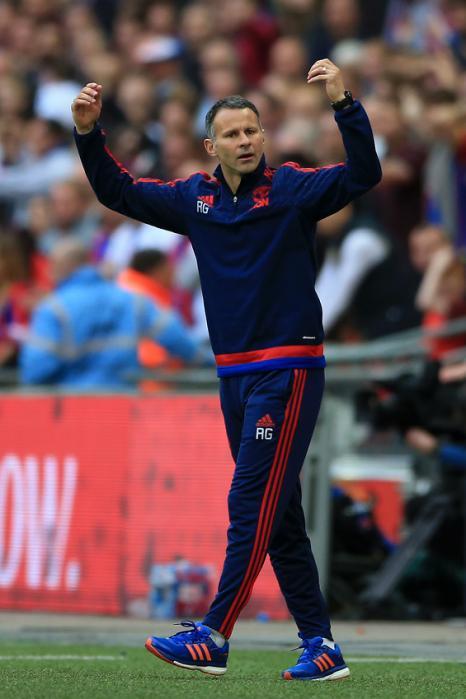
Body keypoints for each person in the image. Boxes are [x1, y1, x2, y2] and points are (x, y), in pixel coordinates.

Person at [71, 58, 381, 681]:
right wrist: (87, 134)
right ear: (212, 146)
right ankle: (321, 645)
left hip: (287, 367)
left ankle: (214, 632)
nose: (244, 141)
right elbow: (119, 192)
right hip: (234, 376)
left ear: (263, 138)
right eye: (232, 134)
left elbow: (364, 173)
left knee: (249, 499)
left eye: (252, 131)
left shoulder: (291, 189)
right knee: (280, 513)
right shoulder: (196, 199)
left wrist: (344, 104)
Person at [20, 239, 210, 388]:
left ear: (60, 267)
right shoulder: (131, 300)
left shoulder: (53, 308)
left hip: (73, 407)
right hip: (123, 406)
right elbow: (180, 342)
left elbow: (35, 370)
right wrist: (215, 365)